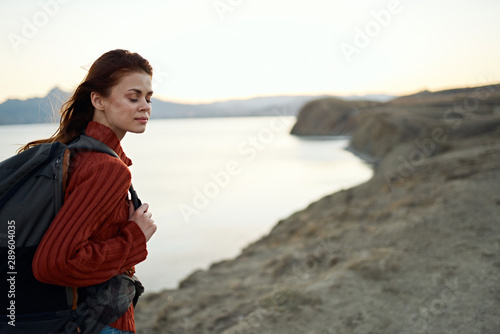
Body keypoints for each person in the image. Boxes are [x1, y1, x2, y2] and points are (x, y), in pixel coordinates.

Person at [23, 49, 158, 334]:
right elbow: (54, 264)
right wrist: (135, 237)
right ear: (98, 100)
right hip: (97, 324)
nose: (145, 106)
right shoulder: (106, 168)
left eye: (148, 97)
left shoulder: (77, 153)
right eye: (133, 97)